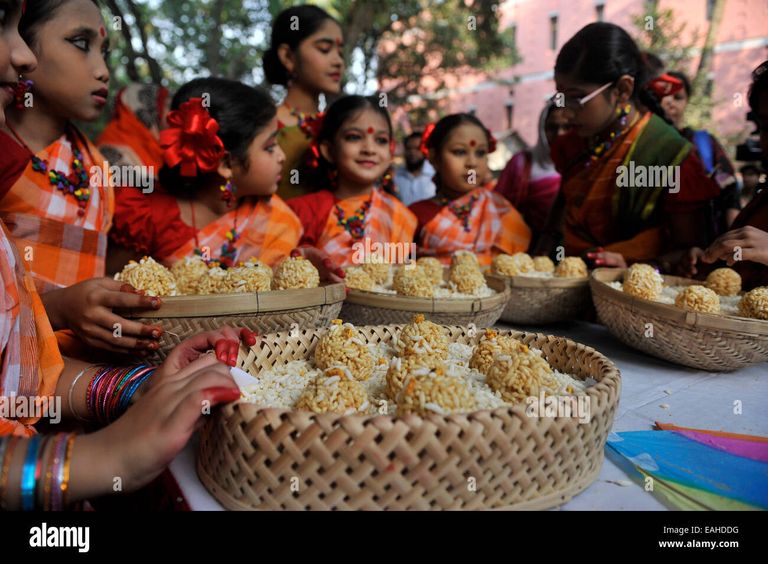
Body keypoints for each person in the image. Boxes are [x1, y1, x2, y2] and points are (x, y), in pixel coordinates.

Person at [540, 22, 721, 272]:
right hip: (566, 283)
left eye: (576, 98)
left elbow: (689, 254)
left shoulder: (670, 155)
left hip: (636, 295)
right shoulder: (572, 146)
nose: (565, 112)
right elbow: (556, 228)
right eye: (561, 97)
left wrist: (635, 265)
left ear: (622, 90)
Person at [287, 95, 417, 267]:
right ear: (329, 150)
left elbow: (400, 282)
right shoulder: (302, 211)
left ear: (390, 151)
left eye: (381, 140)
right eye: (354, 137)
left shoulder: (401, 217)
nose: (369, 149)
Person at [409, 113, 531, 265]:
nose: (472, 163)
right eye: (460, 152)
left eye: (480, 153)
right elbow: (404, 274)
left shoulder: (501, 210)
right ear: (434, 158)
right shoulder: (413, 215)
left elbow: (521, 269)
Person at [264, 5, 345, 200]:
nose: (338, 61)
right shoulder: (263, 127)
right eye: (324, 49)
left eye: (340, 52)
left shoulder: (344, 128)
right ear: (288, 56)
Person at [661, 69, 740, 232]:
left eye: (678, 97)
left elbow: (729, 190)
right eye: (663, 95)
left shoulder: (703, 144)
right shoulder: (640, 145)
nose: (670, 102)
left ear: (687, 102)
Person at [495, 101, 570, 248]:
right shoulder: (521, 162)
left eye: (567, 127)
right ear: (542, 128)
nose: (559, 134)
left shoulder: (584, 165)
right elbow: (498, 205)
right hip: (522, 245)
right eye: (552, 128)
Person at [393, 131, 436, 206]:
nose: (412, 152)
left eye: (417, 149)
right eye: (409, 148)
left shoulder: (435, 175)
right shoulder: (395, 176)